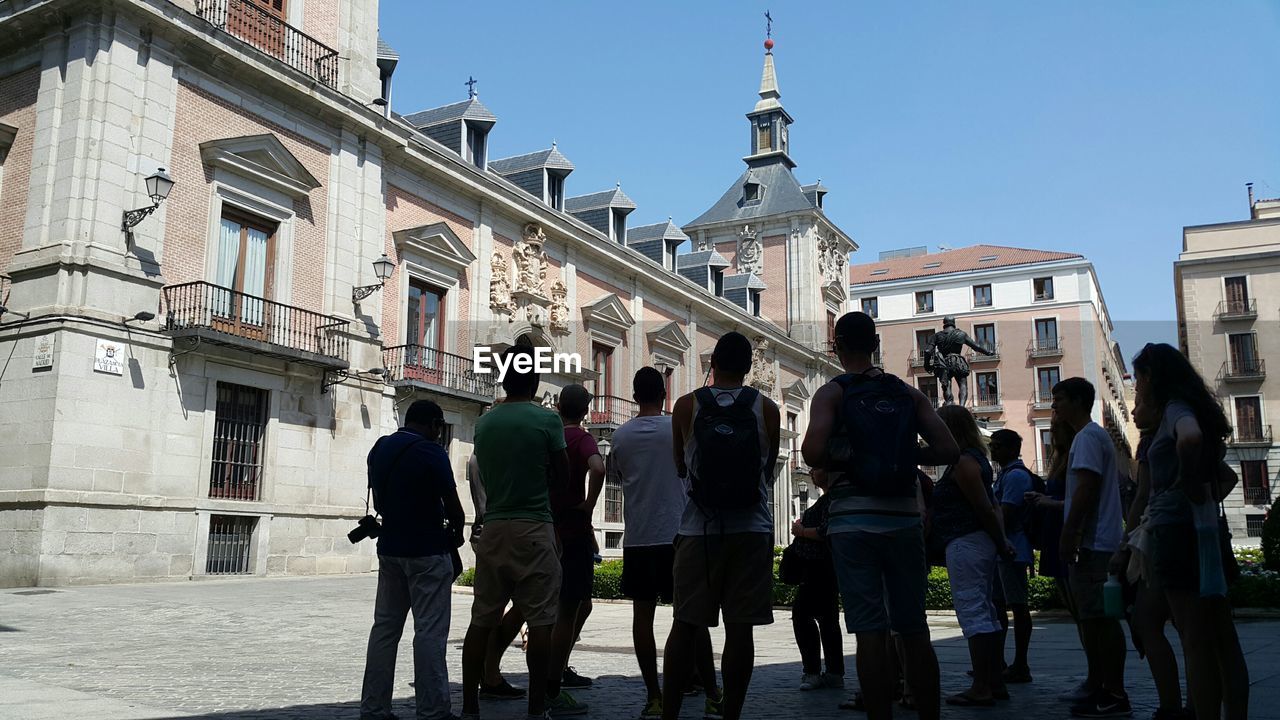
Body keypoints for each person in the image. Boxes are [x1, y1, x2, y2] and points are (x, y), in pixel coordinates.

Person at [802, 312, 959, 720]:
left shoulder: (833, 393)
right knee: (913, 629)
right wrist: (906, 456)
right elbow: (948, 449)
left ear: (836, 347)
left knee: (870, 633)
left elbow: (811, 453)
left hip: (853, 523)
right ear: (875, 345)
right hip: (905, 521)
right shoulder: (908, 394)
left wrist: (849, 457)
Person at [661, 332, 781, 720]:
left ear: (712, 364)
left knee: (685, 624)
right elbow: (767, 470)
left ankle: (670, 714)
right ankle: (731, 713)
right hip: (752, 528)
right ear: (749, 368)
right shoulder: (768, 409)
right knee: (740, 628)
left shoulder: (685, 405)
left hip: (699, 528)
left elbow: (680, 465)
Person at [1132, 343, 1249, 720]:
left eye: (1137, 380)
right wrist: (1201, 488)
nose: (1137, 388)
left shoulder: (1175, 410)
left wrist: (1187, 479)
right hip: (1208, 528)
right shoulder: (1196, 406)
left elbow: (1190, 437)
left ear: (1150, 377)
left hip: (1176, 532)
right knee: (1223, 638)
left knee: (1196, 641)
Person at [461, 345, 570, 720]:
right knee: (541, 621)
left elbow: (483, 471)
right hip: (534, 526)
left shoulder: (485, 422)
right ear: (536, 380)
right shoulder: (548, 421)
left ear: (505, 379)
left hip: (493, 529)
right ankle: (537, 708)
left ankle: (470, 707)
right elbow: (563, 476)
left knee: (481, 619)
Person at [611, 367, 721, 719]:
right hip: (679, 533)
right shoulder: (678, 428)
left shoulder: (620, 436)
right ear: (664, 395)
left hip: (639, 537)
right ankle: (713, 694)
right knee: (692, 618)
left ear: (633, 395)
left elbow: (618, 475)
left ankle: (654, 695)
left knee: (641, 618)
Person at [360, 400, 465, 720]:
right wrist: (457, 532)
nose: (439, 433)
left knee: (384, 629)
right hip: (428, 552)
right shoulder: (432, 452)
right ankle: (433, 710)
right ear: (433, 424)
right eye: (439, 427)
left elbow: (379, 499)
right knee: (430, 632)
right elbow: (454, 506)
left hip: (390, 549)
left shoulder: (380, 448)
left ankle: (374, 708)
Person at [1051, 377, 1129, 718]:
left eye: (1060, 398)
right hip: (1099, 540)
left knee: (1099, 621)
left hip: (1094, 544)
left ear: (1080, 401)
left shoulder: (1086, 438)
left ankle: (1113, 690)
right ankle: (1100, 685)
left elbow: (1085, 491)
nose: (1054, 406)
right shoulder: (1094, 437)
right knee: (1094, 620)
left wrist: (1070, 537)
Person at [930, 405, 1014, 707]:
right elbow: (993, 506)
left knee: (973, 611)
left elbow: (984, 507)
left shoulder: (964, 463)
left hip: (966, 541)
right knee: (986, 612)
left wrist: (1001, 542)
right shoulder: (974, 459)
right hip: (977, 542)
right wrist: (999, 541)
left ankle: (981, 686)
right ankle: (995, 681)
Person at [1118, 396, 1188, 720]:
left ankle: (1172, 707)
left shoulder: (1151, 442)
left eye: (1141, 401)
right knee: (1192, 629)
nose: (1132, 410)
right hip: (1184, 531)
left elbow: (1142, 494)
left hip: (1159, 534)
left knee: (1147, 622)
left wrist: (1125, 544)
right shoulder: (1176, 432)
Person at [542, 384, 605, 715]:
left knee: (548, 608)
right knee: (571, 607)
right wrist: (589, 504)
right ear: (585, 410)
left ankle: (547, 673)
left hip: (543, 526)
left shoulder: (546, 436)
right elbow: (598, 468)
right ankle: (554, 682)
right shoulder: (582, 439)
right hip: (572, 529)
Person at [789, 467, 844, 691]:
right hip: (821, 567)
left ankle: (813, 671)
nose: (812, 473)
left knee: (803, 616)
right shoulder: (828, 499)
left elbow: (825, 531)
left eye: (817, 469)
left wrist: (801, 531)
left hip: (821, 568)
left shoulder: (833, 500)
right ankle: (833, 672)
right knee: (826, 619)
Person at [987, 429, 1036, 684]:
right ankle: (999, 661)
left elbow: (1006, 513)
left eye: (996, 446)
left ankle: (1020, 664)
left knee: (1018, 607)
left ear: (1010, 449)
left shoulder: (1015, 476)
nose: (992, 450)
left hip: (1012, 550)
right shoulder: (1005, 475)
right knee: (998, 607)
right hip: (1003, 550)